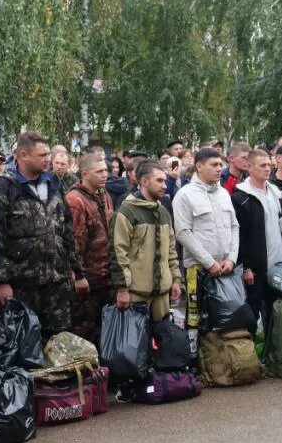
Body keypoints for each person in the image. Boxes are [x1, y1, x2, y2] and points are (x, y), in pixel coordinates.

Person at [0, 131, 85, 338]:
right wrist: (0, 282)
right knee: (23, 343)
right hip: (21, 284)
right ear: (23, 155)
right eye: (42, 155)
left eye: (48, 154)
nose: (48, 160)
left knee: (58, 341)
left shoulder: (54, 183)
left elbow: (66, 229)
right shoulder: (2, 188)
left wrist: (74, 269)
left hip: (56, 281)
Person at [110, 162, 182, 323]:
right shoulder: (126, 212)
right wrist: (122, 289)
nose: (164, 185)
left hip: (162, 294)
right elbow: (118, 252)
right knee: (135, 344)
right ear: (144, 182)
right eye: (159, 181)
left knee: (161, 342)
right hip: (136, 293)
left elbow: (171, 250)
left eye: (165, 181)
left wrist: (176, 280)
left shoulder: (163, 212)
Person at [233, 149, 282, 330]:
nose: (267, 169)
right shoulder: (241, 197)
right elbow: (240, 235)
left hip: (279, 262)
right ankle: (250, 353)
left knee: (277, 312)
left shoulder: (275, 192)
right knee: (253, 310)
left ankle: (273, 352)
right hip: (256, 268)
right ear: (249, 167)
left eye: (269, 165)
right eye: (262, 165)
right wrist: (246, 266)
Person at [65, 153, 114, 342]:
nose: (105, 175)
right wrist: (78, 275)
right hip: (87, 279)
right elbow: (73, 242)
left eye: (106, 170)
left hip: (106, 275)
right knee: (83, 330)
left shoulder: (104, 194)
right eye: (99, 171)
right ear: (85, 174)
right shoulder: (75, 200)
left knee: (105, 330)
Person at [174, 146, 240, 286]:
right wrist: (209, 263)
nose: (219, 169)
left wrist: (232, 259)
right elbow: (183, 233)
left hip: (226, 268)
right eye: (214, 165)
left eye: (220, 165)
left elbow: (234, 226)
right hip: (199, 269)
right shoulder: (185, 195)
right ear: (199, 166)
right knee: (199, 309)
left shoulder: (224, 193)